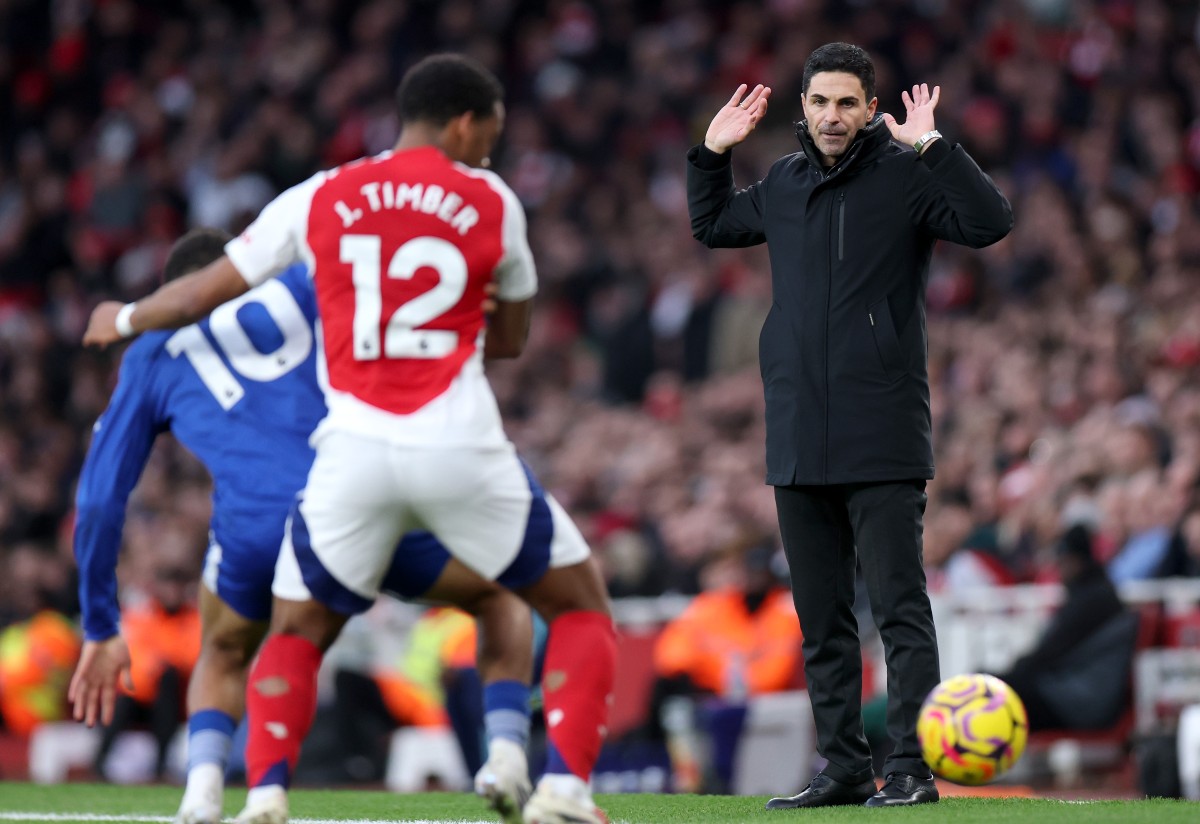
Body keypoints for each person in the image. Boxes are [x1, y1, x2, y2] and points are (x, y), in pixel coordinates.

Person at [83, 53, 615, 824]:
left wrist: (126, 317)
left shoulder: (320, 199)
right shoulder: (492, 198)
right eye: (488, 136)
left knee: (284, 636)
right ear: (465, 123)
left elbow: (204, 294)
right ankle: (550, 781)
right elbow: (508, 340)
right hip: (453, 447)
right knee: (563, 603)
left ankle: (254, 795)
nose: (489, 152)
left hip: (345, 466)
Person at [70, 228, 539, 824]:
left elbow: (99, 499)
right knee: (498, 596)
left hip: (256, 528)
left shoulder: (151, 351)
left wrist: (101, 624)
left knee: (224, 647)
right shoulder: (305, 287)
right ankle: (504, 758)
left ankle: (204, 793)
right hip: (362, 500)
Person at [687, 42, 1013, 808]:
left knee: (900, 608)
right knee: (820, 619)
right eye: (819, 102)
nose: (832, 117)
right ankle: (841, 767)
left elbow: (990, 221)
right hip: (799, 430)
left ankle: (910, 769)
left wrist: (933, 145)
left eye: (846, 103)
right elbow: (711, 225)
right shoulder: (782, 183)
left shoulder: (907, 177)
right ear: (803, 107)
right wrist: (710, 153)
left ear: (872, 109)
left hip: (882, 430)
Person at [997, 523, 1138, 732]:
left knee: (995, 694)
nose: (1059, 571)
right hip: (1078, 694)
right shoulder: (1094, 592)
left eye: (1061, 563)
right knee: (1000, 688)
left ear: (1075, 560)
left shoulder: (1092, 599)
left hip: (1081, 702)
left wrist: (1007, 676)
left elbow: (1049, 653)